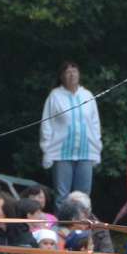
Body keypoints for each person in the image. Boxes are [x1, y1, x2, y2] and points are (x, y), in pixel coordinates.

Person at [39, 61, 101, 201]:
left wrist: (97, 149)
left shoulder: (87, 95)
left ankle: (81, 223)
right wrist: (46, 149)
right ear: (61, 76)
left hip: (85, 152)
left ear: (79, 74)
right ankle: (62, 223)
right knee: (62, 196)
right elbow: (47, 124)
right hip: (61, 153)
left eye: (74, 71)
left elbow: (95, 124)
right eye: (67, 72)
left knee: (83, 197)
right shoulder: (55, 96)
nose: (72, 75)